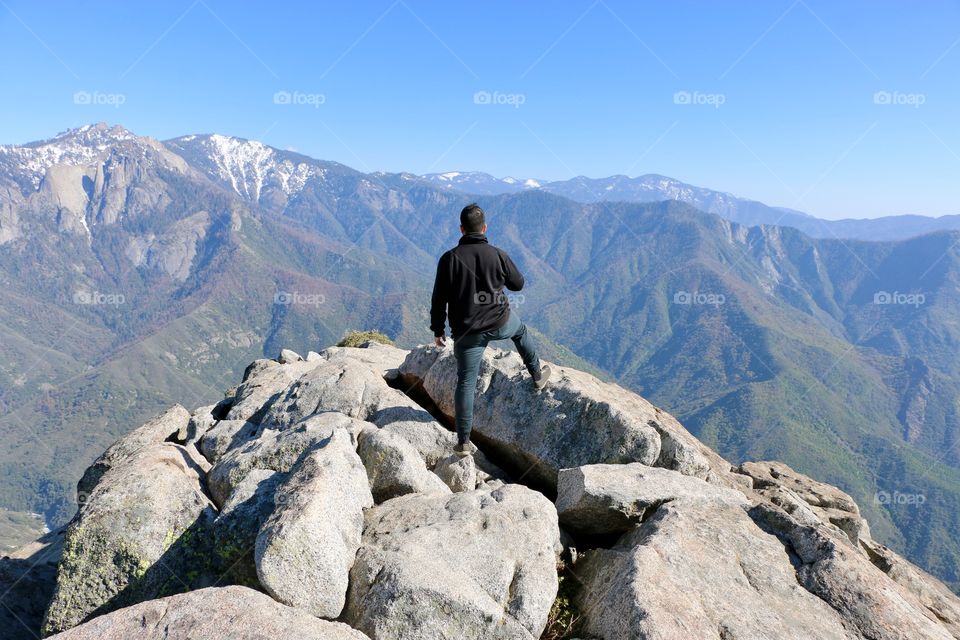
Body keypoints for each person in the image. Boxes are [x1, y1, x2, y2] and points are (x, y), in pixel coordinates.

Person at [430, 203, 551, 456]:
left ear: (461, 229)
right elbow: (518, 285)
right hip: (499, 321)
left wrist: (438, 328)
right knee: (521, 333)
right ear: (484, 228)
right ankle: (537, 376)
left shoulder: (449, 258)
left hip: (467, 332)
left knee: (465, 381)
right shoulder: (498, 254)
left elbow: (439, 298)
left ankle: (463, 441)